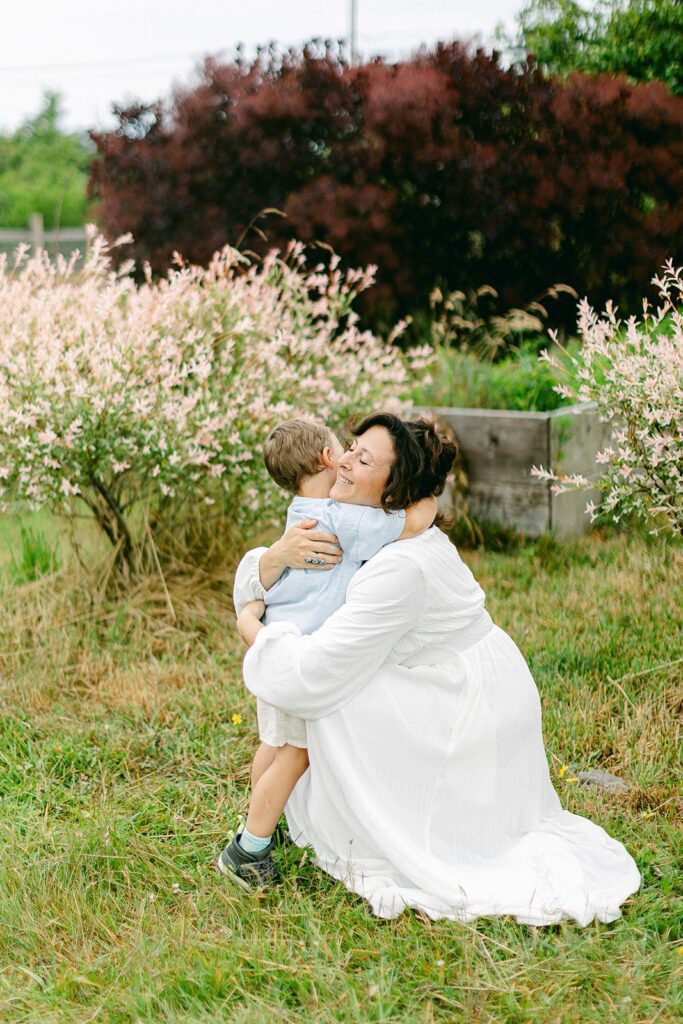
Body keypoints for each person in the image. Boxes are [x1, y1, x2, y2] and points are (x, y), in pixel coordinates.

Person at [232, 412, 641, 924]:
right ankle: (260, 829)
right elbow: (271, 572)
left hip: (466, 706)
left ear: (391, 491)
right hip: (453, 679)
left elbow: (312, 674)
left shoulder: (397, 567)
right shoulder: (358, 528)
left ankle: (253, 843)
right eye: (352, 446)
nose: (345, 460)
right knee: (321, 698)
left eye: (363, 458)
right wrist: (271, 562)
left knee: (329, 700)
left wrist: (253, 627)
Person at [218, 418, 437, 890]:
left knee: (273, 745)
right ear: (326, 458)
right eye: (345, 447)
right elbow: (415, 522)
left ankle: (256, 818)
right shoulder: (346, 519)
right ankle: (249, 848)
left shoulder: (300, 512)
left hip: (274, 647)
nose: (349, 454)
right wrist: (430, 497)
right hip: (301, 660)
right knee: (298, 753)